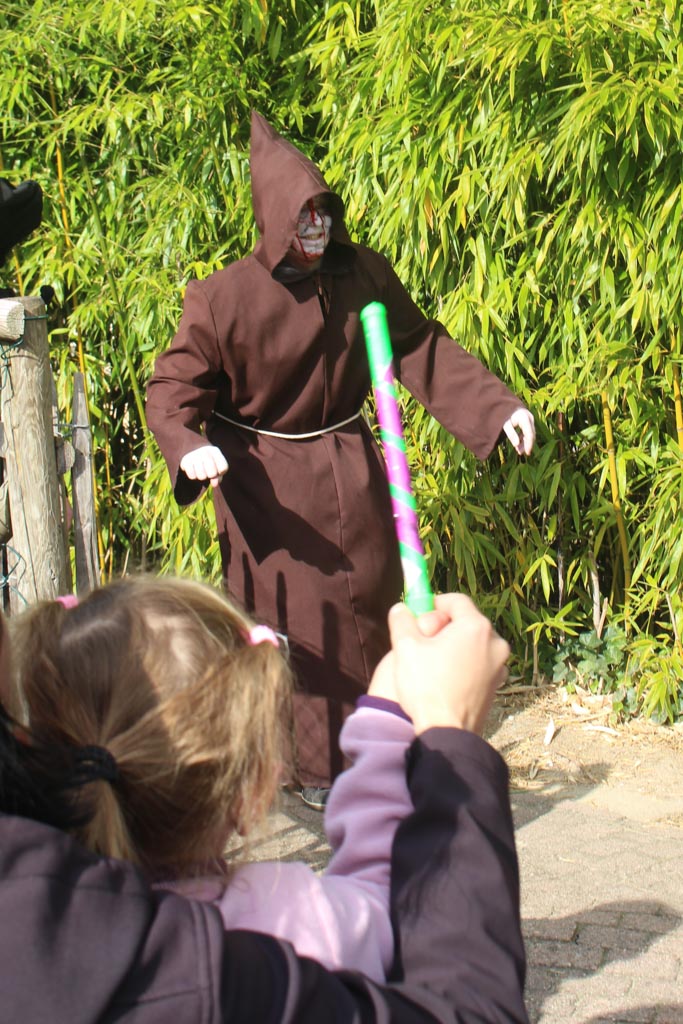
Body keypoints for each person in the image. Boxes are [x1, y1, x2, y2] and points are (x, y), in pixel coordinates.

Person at [146, 110, 536, 803]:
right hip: (269, 491)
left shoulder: (361, 274)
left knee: (380, 608)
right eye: (303, 215)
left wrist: (496, 409)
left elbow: (420, 346)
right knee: (302, 634)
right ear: (273, 218)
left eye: (324, 211)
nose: (318, 227)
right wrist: (189, 447)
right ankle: (318, 774)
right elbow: (173, 387)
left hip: (354, 470)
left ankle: (393, 746)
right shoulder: (221, 298)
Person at [0, 586, 529, 1023]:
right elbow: (384, 909)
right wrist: (406, 725)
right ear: (251, 795)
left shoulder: (38, 929)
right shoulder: (286, 918)